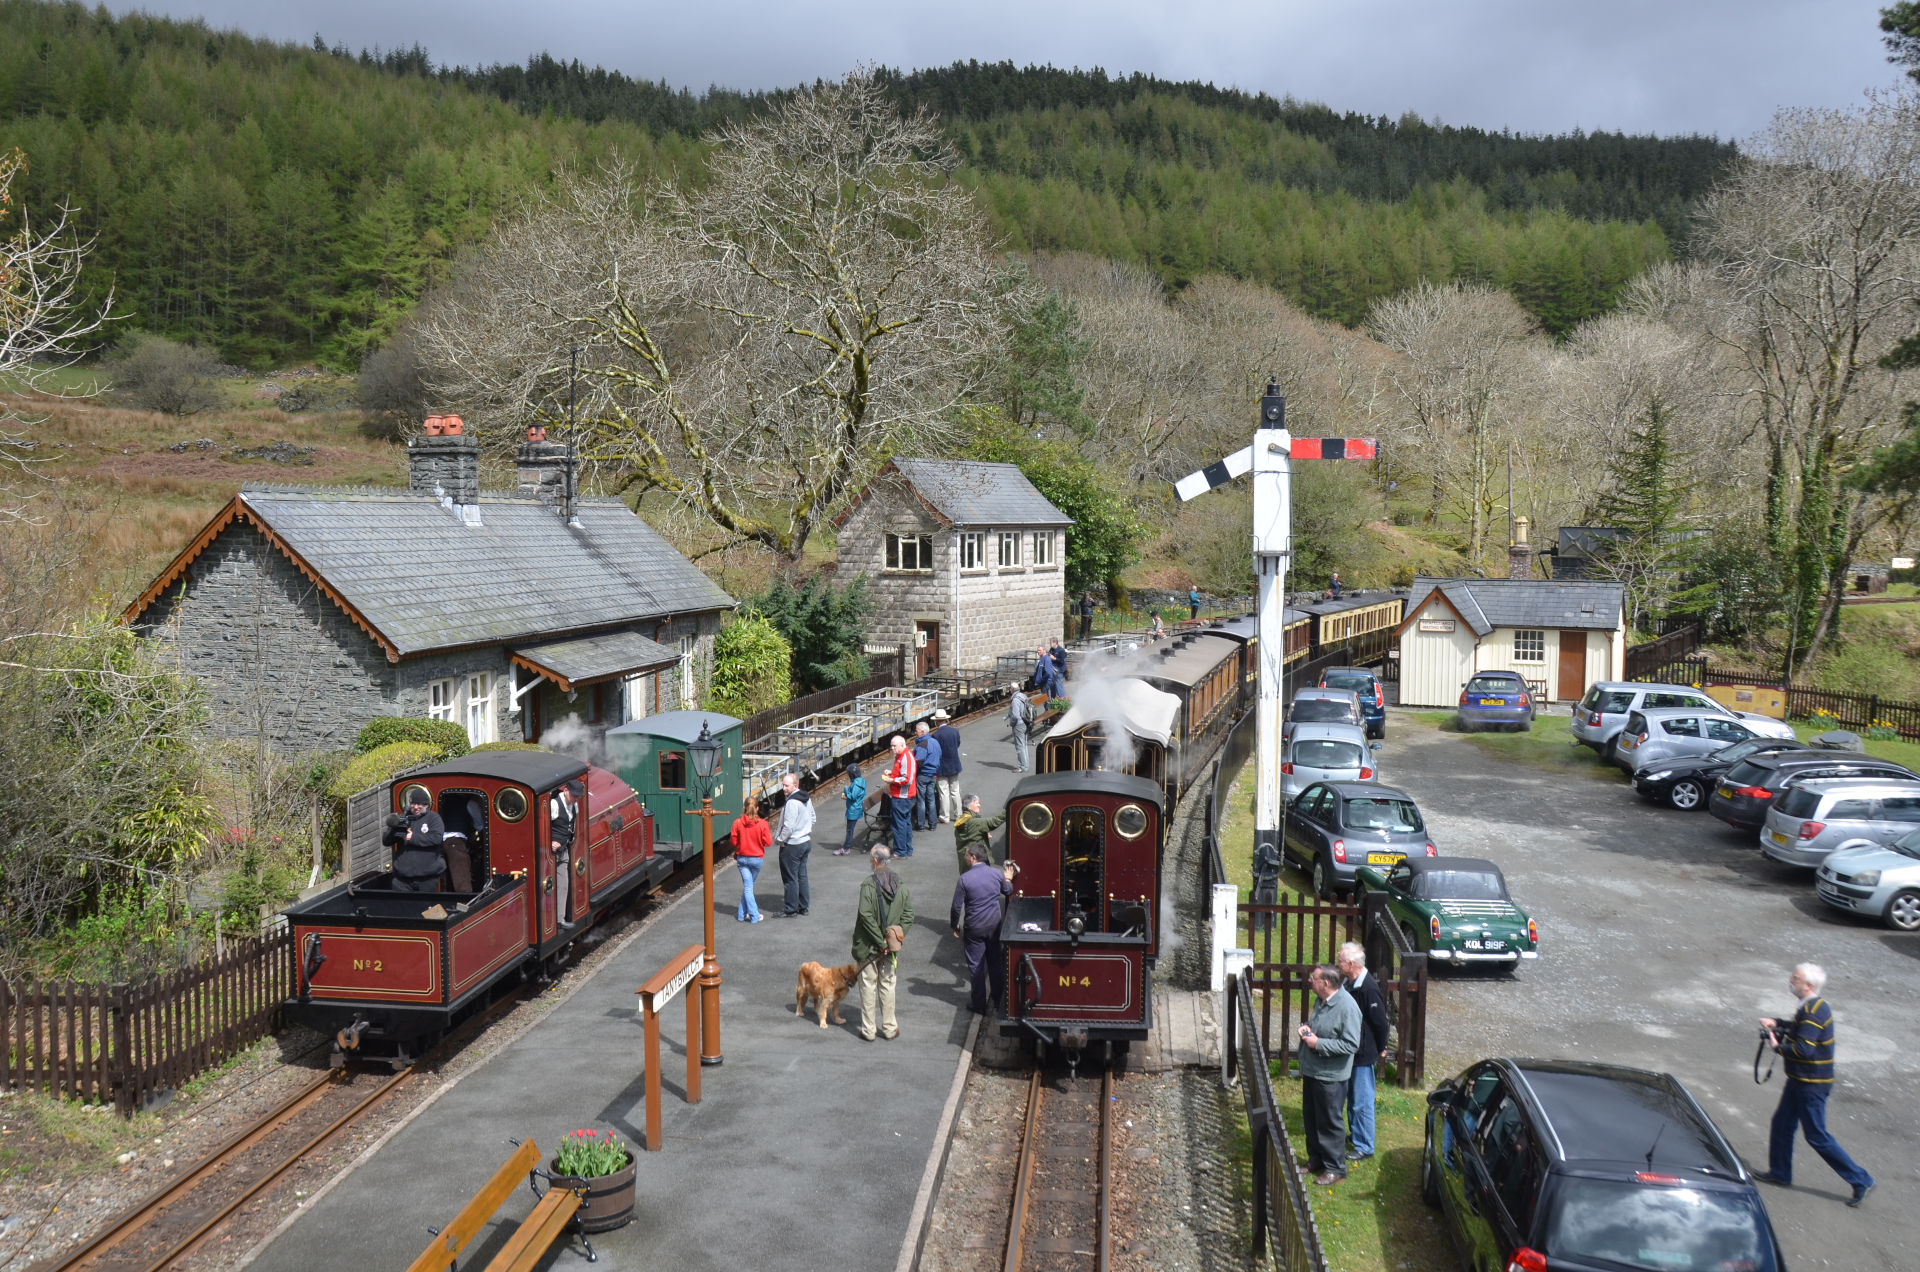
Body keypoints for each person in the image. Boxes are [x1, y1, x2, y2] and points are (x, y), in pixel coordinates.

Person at [1757, 962, 1875, 1205]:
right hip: (1800, 1080)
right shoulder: (1812, 1006)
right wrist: (1778, 1023)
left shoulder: (1812, 1011)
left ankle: (1861, 1179)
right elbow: (1801, 1030)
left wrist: (1777, 1047)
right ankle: (1780, 1173)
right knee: (1781, 1124)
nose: (1791, 980)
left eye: (1796, 978)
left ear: (1808, 985)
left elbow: (1804, 1048)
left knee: (1817, 1136)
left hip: (1811, 1084)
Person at [1296, 963, 1360, 1186]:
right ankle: (1316, 1160)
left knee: (1329, 1122)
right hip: (1313, 1071)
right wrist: (1308, 1031)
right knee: (1311, 1117)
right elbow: (1320, 1026)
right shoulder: (1321, 1001)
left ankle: (1335, 1168)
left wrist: (1318, 1043)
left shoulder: (1347, 1007)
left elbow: (1350, 1044)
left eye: (1314, 978)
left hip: (1331, 1076)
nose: (1310, 982)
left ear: (1325, 983)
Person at [852, 845, 915, 1041]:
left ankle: (869, 1030)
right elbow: (909, 914)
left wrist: (880, 941)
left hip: (867, 946)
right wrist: (894, 939)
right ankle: (889, 1028)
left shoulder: (868, 884)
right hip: (890, 949)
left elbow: (865, 914)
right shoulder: (901, 884)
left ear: (876, 861)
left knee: (868, 986)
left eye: (871, 858)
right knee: (888, 985)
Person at [1337, 941, 1392, 1165]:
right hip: (1354, 1052)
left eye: (1340, 961)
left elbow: (1381, 1023)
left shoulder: (1368, 989)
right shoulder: (1351, 984)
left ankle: (1364, 1145)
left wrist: (1381, 1048)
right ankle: (1357, 1135)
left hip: (1364, 1053)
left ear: (1351, 964)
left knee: (1362, 1101)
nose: (1338, 965)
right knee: (1353, 1100)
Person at [951, 846, 1017, 1014]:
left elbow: (956, 907)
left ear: (973, 857)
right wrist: (1008, 878)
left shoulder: (964, 879)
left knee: (976, 966)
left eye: (966, 855)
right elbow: (1008, 890)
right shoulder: (995, 873)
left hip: (974, 927)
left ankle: (979, 1004)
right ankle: (998, 1000)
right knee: (995, 963)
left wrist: (954, 924)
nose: (964, 857)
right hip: (994, 925)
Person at [773, 772, 814, 917]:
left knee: (790, 878)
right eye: (783, 785)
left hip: (792, 845)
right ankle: (803, 907)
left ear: (795, 786)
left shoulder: (791, 802)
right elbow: (813, 818)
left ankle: (790, 909)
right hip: (805, 842)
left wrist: (780, 840)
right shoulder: (806, 798)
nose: (783, 788)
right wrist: (804, 829)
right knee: (801, 876)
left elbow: (788, 827)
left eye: (786, 785)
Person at [391, 793, 445, 892]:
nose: (416, 807)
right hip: (402, 880)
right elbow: (386, 841)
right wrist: (393, 829)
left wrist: (412, 838)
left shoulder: (434, 818)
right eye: (413, 804)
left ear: (426, 805)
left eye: (419, 804)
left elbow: (436, 838)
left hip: (427, 879)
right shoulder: (403, 818)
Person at [730, 799, 770, 922]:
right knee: (749, 887)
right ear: (757, 808)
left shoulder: (737, 823)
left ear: (744, 808)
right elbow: (767, 842)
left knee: (748, 886)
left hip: (742, 860)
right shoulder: (763, 824)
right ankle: (754, 916)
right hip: (756, 860)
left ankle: (741, 915)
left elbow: (733, 842)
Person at [548, 781, 581, 923]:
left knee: (563, 885)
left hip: (564, 851)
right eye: (574, 795)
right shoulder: (554, 805)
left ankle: (560, 919)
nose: (576, 799)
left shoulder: (575, 805)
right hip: (550, 854)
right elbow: (540, 826)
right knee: (547, 887)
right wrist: (549, 842)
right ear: (566, 790)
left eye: (578, 797)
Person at [882, 734, 917, 858]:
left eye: (894, 746)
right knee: (905, 822)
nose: (892, 748)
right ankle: (907, 849)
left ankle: (900, 851)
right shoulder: (901, 756)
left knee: (899, 824)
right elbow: (902, 773)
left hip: (902, 796)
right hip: (903, 795)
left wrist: (892, 780)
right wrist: (892, 773)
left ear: (902, 745)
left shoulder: (905, 758)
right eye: (891, 746)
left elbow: (907, 779)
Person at [953, 793, 1007, 873]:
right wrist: (1008, 809)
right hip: (977, 861)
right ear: (969, 805)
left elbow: (970, 835)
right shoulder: (975, 822)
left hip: (965, 861)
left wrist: (982, 834)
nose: (979, 805)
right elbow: (995, 822)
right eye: (976, 803)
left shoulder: (961, 820)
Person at [932, 710, 963, 824]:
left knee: (944, 792)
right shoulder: (955, 731)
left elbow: (935, 752)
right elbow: (958, 744)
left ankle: (945, 816)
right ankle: (959, 815)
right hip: (954, 765)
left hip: (942, 767)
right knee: (955, 791)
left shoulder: (936, 735)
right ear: (946, 719)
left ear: (936, 722)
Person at [912, 722, 942, 831]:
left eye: (917, 730)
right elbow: (940, 755)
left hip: (923, 774)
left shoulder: (922, 744)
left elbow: (918, 762)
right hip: (932, 775)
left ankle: (920, 825)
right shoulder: (935, 742)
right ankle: (932, 824)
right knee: (931, 799)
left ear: (923, 732)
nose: (915, 732)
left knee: (921, 800)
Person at [838, 760, 867, 856]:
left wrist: (846, 789)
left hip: (853, 810)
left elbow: (853, 796)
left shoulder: (856, 784)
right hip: (856, 808)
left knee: (849, 830)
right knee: (850, 829)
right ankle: (846, 846)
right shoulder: (860, 781)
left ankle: (846, 848)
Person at [1006, 683, 1034, 773]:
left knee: (1019, 746)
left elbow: (1015, 716)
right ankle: (1026, 765)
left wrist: (1012, 724)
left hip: (1019, 725)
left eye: (1010, 689)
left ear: (1012, 690)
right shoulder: (1023, 696)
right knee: (1024, 745)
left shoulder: (1015, 700)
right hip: (1026, 723)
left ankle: (1022, 767)